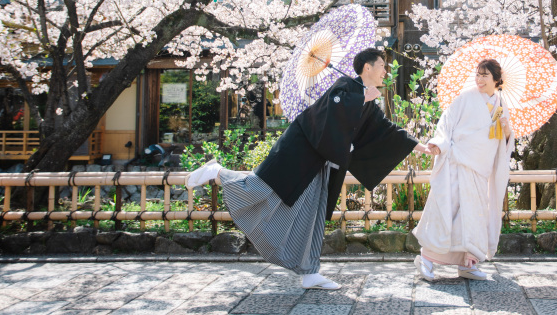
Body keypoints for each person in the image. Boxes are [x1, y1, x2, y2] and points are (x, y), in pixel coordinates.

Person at [187, 48, 431, 290]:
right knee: (260, 188)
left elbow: (386, 130)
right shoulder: (345, 85)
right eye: (382, 66)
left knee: (311, 213)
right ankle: (217, 172)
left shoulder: (366, 99)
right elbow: (333, 106)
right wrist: (362, 97)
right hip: (299, 151)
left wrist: (422, 147)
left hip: (320, 162)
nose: (385, 71)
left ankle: (309, 271)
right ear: (368, 67)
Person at [412, 58, 515, 281]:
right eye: (477, 74)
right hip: (457, 163)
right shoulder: (465, 98)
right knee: (447, 210)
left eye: (485, 75)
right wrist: (439, 143)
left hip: (480, 168)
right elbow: (445, 124)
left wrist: (507, 131)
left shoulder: (501, 104)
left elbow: (503, 143)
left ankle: (468, 262)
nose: (479, 79)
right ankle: (426, 258)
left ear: (497, 79)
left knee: (474, 216)